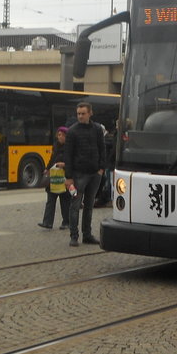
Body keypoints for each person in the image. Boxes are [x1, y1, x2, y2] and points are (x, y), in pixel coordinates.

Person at [64, 101, 106, 247]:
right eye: (78, 114)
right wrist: (68, 177)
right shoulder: (72, 131)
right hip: (78, 174)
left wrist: (101, 168)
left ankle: (87, 235)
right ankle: (74, 236)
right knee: (75, 205)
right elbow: (67, 155)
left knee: (89, 205)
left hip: (95, 173)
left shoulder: (97, 129)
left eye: (83, 113)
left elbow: (102, 148)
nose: (80, 116)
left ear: (90, 113)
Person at [38, 126, 71, 230]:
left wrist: (64, 164)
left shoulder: (70, 148)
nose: (59, 137)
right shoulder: (55, 146)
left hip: (64, 176)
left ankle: (67, 222)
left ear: (66, 136)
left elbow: (73, 162)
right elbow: (52, 159)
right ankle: (47, 222)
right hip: (54, 175)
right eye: (58, 135)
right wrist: (47, 169)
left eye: (61, 135)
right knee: (51, 199)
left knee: (65, 200)